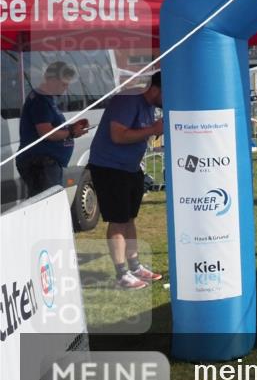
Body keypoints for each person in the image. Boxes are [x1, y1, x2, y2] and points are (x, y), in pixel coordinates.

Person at [87, 72, 164, 290]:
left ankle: (135, 265)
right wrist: (153, 130)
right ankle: (122, 273)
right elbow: (118, 136)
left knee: (129, 218)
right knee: (118, 220)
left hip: (130, 168)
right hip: (109, 168)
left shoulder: (149, 106)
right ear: (156, 89)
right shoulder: (128, 100)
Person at [17, 61, 90, 197]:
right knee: (47, 203)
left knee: (46, 202)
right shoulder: (40, 100)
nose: (66, 88)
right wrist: (71, 132)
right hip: (41, 162)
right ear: (51, 79)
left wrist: (71, 127)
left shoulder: (47, 99)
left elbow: (51, 127)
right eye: (63, 84)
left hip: (46, 162)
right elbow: (46, 132)